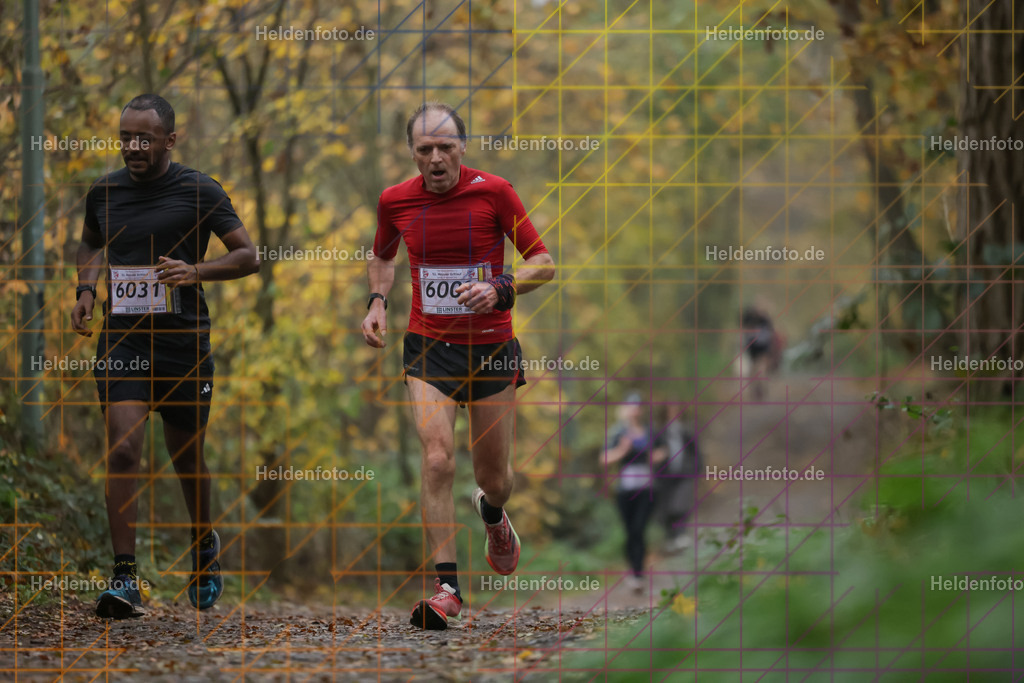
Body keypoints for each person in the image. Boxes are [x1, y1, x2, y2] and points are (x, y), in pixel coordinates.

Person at [361, 102, 555, 630]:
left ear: (462, 147)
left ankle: (492, 514)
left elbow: (544, 262)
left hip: (492, 350)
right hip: (429, 349)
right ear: (413, 154)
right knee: (438, 460)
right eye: (425, 150)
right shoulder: (395, 201)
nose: (436, 158)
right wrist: (377, 302)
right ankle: (447, 589)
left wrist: (500, 288)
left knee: (495, 478)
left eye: (446, 147)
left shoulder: (495, 192)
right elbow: (383, 256)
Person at [71, 94, 259, 618]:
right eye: (126, 136)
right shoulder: (105, 191)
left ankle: (203, 546)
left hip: (183, 345)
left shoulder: (199, 190)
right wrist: (85, 290)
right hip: (124, 341)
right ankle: (125, 579)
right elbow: (89, 246)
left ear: (168, 141)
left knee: (187, 460)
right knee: (125, 450)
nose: (133, 146)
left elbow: (249, 257)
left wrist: (195, 271)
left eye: (144, 138)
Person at [601, 393, 667, 593]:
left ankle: (638, 574)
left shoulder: (650, 431)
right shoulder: (617, 432)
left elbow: (663, 451)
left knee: (639, 528)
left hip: (647, 487)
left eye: (638, 406)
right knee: (630, 530)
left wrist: (653, 457)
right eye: (631, 406)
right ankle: (633, 570)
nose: (635, 410)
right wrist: (622, 450)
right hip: (625, 489)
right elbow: (604, 459)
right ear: (625, 409)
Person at [655, 408, 702, 554]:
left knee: (680, 505)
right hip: (666, 477)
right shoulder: (659, 434)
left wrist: (696, 470)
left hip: (685, 474)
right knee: (666, 508)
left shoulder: (686, 431)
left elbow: (697, 453)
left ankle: (681, 535)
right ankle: (671, 537)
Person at [739, 305, 783, 400]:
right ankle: (760, 388)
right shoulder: (765, 320)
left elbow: (745, 331)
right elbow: (771, 334)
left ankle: (756, 389)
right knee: (760, 367)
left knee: (755, 367)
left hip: (754, 346)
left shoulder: (750, 318)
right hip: (760, 346)